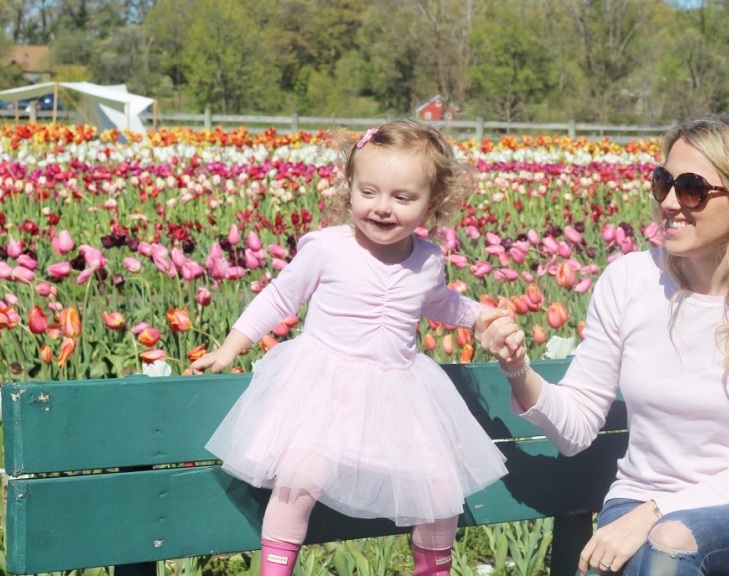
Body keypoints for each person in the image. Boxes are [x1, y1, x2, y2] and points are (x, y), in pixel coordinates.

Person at [478, 113, 729, 575]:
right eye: (664, 182)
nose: (671, 202)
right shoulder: (629, 280)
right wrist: (517, 367)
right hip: (635, 502)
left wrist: (657, 512)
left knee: (670, 540)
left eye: (693, 189)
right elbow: (576, 428)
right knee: (664, 548)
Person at [192, 120, 518, 576]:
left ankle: (433, 570)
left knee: (441, 488)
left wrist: (481, 314)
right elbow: (280, 297)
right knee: (299, 478)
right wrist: (231, 348)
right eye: (370, 192)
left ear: (433, 203)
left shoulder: (428, 260)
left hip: (400, 393)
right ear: (350, 189)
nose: (382, 208)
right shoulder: (329, 248)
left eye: (402, 198)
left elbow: (440, 303)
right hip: (324, 388)